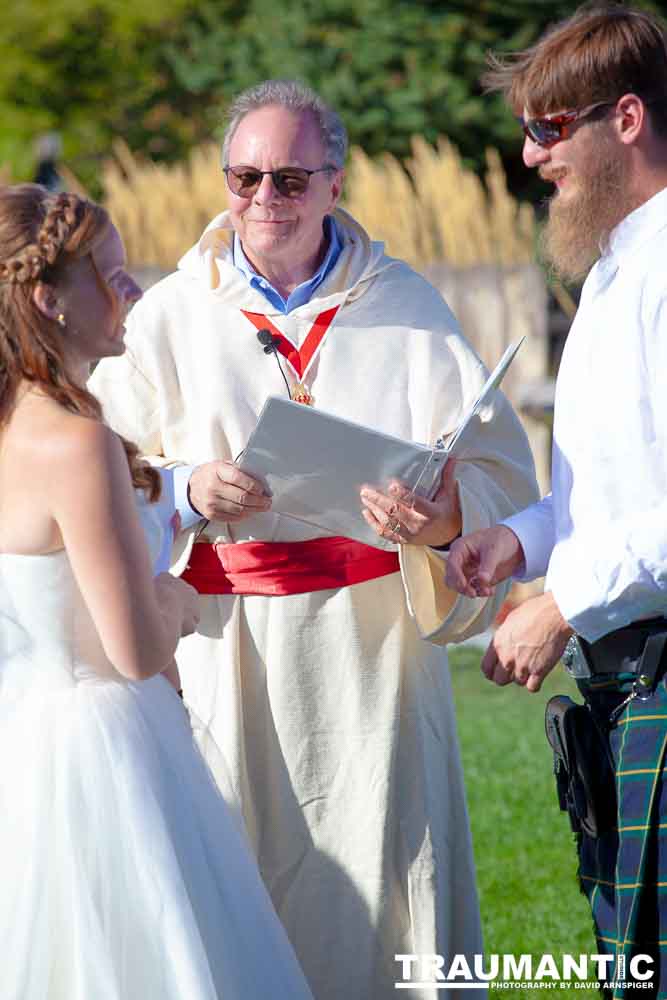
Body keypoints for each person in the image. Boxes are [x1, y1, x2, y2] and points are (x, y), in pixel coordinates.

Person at [90, 79, 539, 999]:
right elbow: (96, 466)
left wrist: (443, 518)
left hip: (376, 652)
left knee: (386, 894)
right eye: (244, 177)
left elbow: (501, 471)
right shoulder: (169, 314)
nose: (265, 198)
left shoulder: (405, 305)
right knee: (238, 883)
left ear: (334, 183)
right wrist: (184, 486)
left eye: (290, 180)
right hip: (224, 650)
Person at [0, 184, 315, 1000]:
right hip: (103, 749)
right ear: (48, 299)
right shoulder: (75, 443)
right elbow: (134, 650)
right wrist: (177, 598)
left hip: (20, 740)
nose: (133, 289)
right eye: (109, 274)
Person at [445, 4, 667, 993]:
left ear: (626, 119)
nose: (531, 155)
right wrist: (518, 539)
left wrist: (562, 602)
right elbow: (619, 487)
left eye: (548, 128)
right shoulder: (618, 268)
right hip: (628, 683)